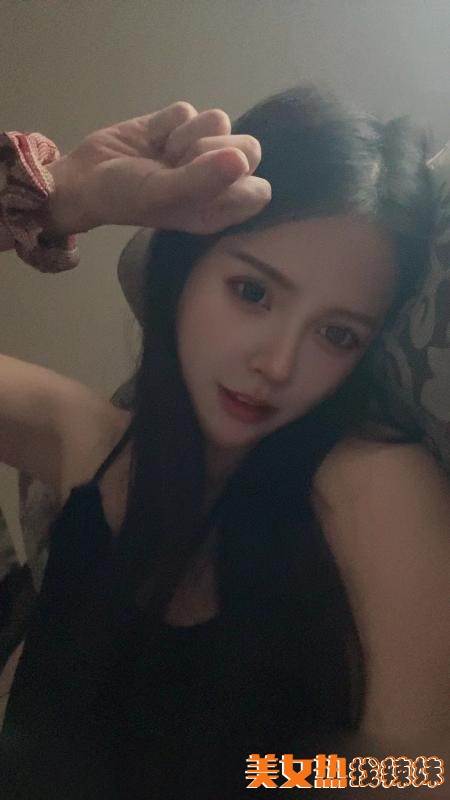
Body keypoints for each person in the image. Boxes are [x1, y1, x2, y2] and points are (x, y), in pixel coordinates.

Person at [0, 85, 448, 798]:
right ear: (186, 268)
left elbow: (420, 772)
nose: (278, 364)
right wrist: (60, 201)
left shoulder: (372, 485)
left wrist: (251, 773)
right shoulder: (90, 444)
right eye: (253, 292)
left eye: (337, 334)